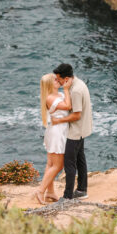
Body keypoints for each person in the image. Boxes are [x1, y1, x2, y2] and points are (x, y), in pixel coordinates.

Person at [50, 62, 92, 200]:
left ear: (66, 79)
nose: (58, 82)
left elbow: (76, 115)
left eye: (59, 79)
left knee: (69, 164)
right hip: (83, 128)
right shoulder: (78, 82)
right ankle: (82, 190)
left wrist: (58, 121)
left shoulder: (75, 91)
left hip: (76, 131)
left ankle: (67, 197)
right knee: (80, 159)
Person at [34, 72, 71, 204]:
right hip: (57, 133)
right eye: (55, 80)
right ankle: (40, 191)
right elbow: (68, 106)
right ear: (50, 84)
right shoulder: (50, 98)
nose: (58, 80)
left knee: (50, 164)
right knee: (58, 165)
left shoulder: (59, 95)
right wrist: (67, 89)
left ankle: (50, 192)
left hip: (58, 131)